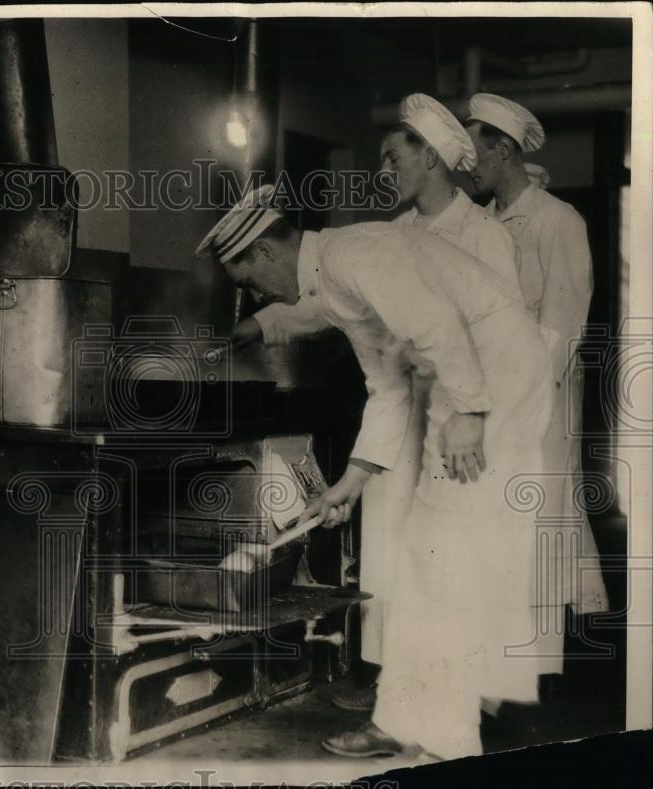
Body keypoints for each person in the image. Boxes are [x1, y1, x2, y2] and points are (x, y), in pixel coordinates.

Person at [197, 185, 552, 760]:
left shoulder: (355, 256)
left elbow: (439, 325)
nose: (258, 295)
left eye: (249, 283)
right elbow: (386, 386)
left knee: (446, 549)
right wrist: (350, 483)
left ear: (263, 254)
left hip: (493, 374)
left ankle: (446, 739)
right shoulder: (334, 279)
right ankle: (405, 719)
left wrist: (468, 411)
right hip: (472, 374)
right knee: (428, 549)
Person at [465, 93, 609, 679]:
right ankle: (496, 662)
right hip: (489, 400)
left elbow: (562, 326)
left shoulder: (558, 222)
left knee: (540, 521)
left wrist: (516, 398)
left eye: (474, 151)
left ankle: (536, 667)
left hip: (539, 404)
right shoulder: (483, 225)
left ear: (502, 149)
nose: (466, 166)